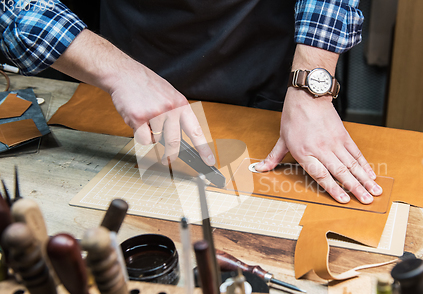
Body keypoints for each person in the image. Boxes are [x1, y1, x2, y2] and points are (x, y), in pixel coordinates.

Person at [0, 0, 382, 205]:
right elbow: (14, 6)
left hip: (268, 76)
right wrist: (120, 72)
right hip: (129, 74)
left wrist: (310, 86)